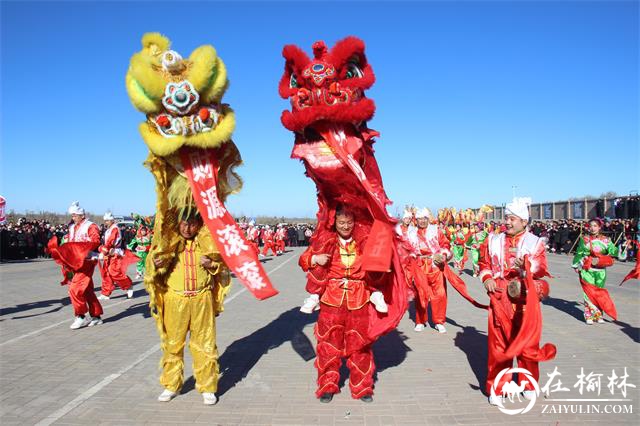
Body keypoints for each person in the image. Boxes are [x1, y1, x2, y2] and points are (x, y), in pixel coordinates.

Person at [299, 206, 387, 402]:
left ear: (354, 222)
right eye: (341, 223)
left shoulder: (364, 242)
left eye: (349, 222)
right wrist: (315, 258)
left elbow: (382, 262)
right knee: (329, 346)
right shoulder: (326, 241)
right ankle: (328, 385)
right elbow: (303, 259)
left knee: (360, 346)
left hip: (359, 300)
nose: (345, 226)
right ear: (335, 223)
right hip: (331, 301)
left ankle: (362, 387)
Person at [478, 198, 555, 405]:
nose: (508, 223)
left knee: (527, 343)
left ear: (523, 221)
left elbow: (541, 268)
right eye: (507, 218)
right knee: (499, 344)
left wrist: (527, 265)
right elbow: (483, 263)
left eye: (512, 219)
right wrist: (487, 278)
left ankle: (527, 384)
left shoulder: (535, 242)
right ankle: (498, 387)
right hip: (500, 297)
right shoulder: (493, 240)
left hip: (524, 298)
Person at [151, 212, 230, 405]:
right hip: (175, 300)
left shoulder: (207, 244)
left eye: (192, 224)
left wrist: (211, 263)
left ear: (198, 225)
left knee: (205, 343)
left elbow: (224, 269)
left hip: (201, 299)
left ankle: (207, 386)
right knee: (173, 344)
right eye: (184, 224)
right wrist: (156, 264)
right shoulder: (168, 244)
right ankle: (171, 385)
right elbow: (150, 272)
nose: (187, 229)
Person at [50, 202, 104, 329]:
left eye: (74, 215)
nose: (73, 218)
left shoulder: (91, 226)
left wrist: (81, 249)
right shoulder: (72, 227)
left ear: (81, 215)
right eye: (72, 215)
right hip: (75, 261)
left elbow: (95, 241)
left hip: (87, 260)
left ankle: (80, 315)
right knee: (87, 290)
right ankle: (96, 316)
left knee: (74, 289)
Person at [408, 208, 451, 333]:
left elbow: (446, 245)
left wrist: (443, 255)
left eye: (424, 218)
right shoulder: (412, 233)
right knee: (420, 294)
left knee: (440, 294)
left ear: (428, 219)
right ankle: (420, 320)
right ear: (416, 220)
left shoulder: (436, 231)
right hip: (419, 265)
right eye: (419, 219)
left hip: (435, 265)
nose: (422, 221)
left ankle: (439, 321)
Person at [571, 218, 619, 324]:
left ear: (599, 227)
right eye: (591, 226)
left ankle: (598, 315)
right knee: (588, 292)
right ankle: (589, 315)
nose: (592, 228)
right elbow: (579, 252)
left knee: (599, 292)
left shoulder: (606, 240)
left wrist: (620, 249)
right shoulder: (585, 239)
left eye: (595, 226)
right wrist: (575, 264)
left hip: (600, 270)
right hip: (587, 268)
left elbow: (613, 251)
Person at [98, 212, 134, 300]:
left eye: (108, 221)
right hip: (109, 253)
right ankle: (106, 293)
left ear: (112, 220)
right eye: (105, 221)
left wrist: (104, 251)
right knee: (106, 272)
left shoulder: (114, 229)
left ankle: (128, 285)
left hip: (115, 253)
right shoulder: (108, 229)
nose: (106, 222)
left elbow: (110, 241)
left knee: (114, 272)